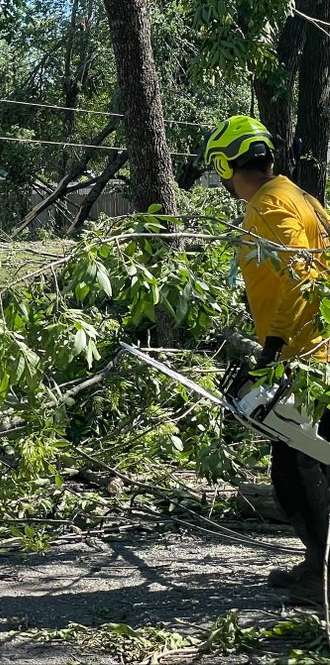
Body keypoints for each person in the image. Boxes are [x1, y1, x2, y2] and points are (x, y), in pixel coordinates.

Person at [204, 116, 330, 603]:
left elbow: (300, 275)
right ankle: (315, 569)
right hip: (313, 349)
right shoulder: (300, 196)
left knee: (299, 471)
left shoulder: (270, 204)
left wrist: (273, 345)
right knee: (304, 462)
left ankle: (318, 578)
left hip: (306, 356)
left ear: (225, 164)